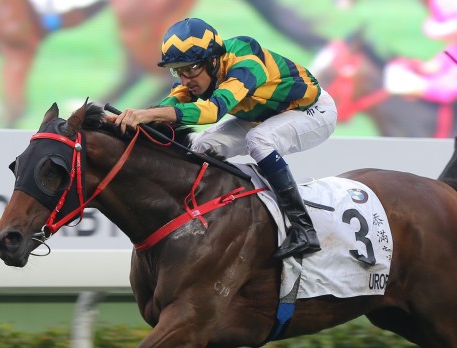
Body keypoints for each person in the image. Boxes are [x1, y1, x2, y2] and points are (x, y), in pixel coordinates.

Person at [107, 17, 337, 260]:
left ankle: (303, 229)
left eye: (190, 69)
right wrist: (130, 119)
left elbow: (212, 111)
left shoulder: (246, 62)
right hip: (263, 115)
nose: (185, 79)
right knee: (199, 147)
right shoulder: (200, 69)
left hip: (312, 111)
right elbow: (169, 105)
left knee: (258, 140)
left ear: (213, 61)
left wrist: (148, 115)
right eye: (178, 71)